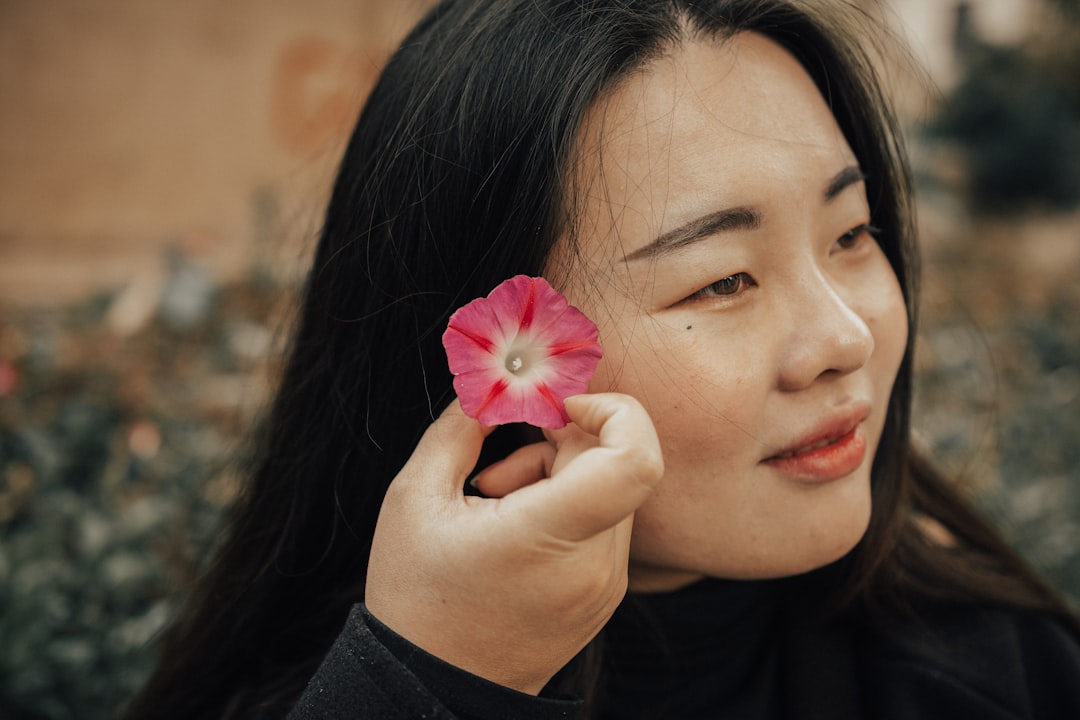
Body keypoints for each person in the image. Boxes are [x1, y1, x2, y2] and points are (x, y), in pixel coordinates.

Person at [123, 1, 1080, 718]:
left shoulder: (1000, 676)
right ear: (495, 364)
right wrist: (430, 680)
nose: (846, 339)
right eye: (722, 281)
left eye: (853, 232)